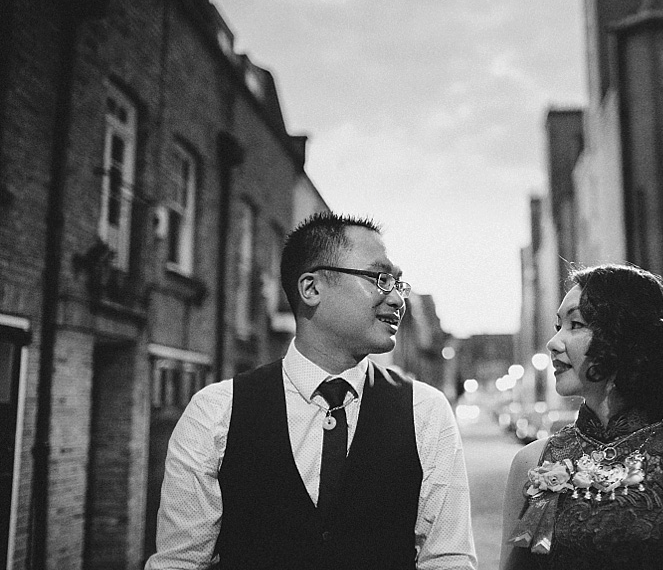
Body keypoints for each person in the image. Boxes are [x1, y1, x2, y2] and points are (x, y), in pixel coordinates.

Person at [147, 212, 477, 570]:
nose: (397, 299)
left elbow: (448, 559)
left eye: (398, 284)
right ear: (311, 288)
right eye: (380, 279)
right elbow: (179, 562)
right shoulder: (216, 412)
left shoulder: (425, 410)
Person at [500, 264, 663, 570]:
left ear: (623, 336)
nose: (554, 343)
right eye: (557, 327)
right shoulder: (532, 462)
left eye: (575, 325)